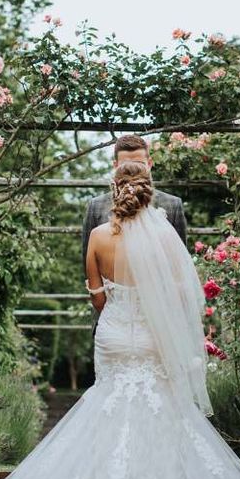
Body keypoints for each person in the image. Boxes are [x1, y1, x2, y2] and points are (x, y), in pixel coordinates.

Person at [0, 161, 240, 479]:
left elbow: (97, 299)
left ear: (115, 188)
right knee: (163, 414)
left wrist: (122, 310)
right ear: (148, 190)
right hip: (152, 337)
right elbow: (179, 295)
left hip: (113, 335)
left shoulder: (98, 237)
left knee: (107, 408)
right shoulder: (165, 236)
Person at [81, 134, 187, 337]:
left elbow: (179, 268)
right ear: (115, 166)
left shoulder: (172, 205)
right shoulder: (96, 207)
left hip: (160, 321)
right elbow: (87, 267)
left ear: (150, 163)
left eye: (138, 164)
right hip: (111, 318)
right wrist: (112, 316)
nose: (132, 172)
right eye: (125, 165)